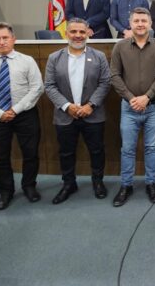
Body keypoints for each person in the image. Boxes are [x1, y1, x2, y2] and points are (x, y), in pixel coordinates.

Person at [0, 22, 44, 210]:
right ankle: (6, 192)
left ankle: (29, 186)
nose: (2, 42)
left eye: (5, 38)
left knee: (31, 153)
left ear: (13, 39)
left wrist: (16, 110)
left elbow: (37, 88)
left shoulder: (27, 60)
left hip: (25, 114)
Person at [44, 18, 112, 204]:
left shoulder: (99, 56)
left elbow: (105, 83)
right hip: (65, 115)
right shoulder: (54, 57)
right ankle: (69, 184)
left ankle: (98, 182)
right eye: (73, 32)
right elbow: (49, 86)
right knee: (66, 152)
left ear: (88, 33)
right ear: (66, 33)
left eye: (82, 32)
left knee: (97, 150)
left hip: (93, 114)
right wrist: (67, 106)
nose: (78, 36)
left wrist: (91, 105)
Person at [110, 7, 155, 207]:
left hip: (153, 107)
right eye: (136, 21)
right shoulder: (120, 47)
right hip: (129, 108)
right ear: (130, 24)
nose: (140, 24)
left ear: (150, 24)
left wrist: (146, 97)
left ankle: (151, 184)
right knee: (127, 149)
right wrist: (131, 98)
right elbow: (114, 75)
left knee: (151, 148)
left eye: (144, 21)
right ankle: (126, 185)